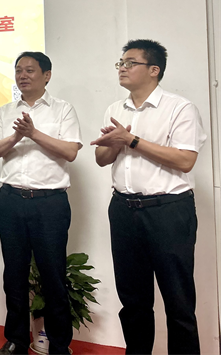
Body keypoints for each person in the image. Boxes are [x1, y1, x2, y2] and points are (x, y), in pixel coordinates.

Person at [92, 39, 206, 355]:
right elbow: (101, 158)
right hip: (123, 209)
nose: (122, 68)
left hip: (168, 211)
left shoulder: (179, 108)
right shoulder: (115, 109)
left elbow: (185, 160)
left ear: (154, 70)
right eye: (120, 63)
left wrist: (132, 140)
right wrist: (116, 143)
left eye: (130, 63)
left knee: (178, 300)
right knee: (133, 300)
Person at [0, 52, 82, 355]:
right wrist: (16, 136)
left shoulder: (63, 110)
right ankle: (16, 340)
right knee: (13, 274)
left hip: (49, 203)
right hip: (11, 200)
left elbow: (70, 152)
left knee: (53, 275)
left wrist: (34, 133)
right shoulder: (5, 111)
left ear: (47, 75)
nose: (22, 75)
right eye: (18, 70)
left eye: (30, 70)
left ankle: (59, 345)